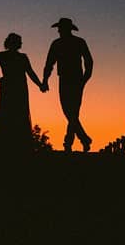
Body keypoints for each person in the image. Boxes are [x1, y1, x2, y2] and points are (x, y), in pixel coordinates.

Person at [0, 32, 46, 148]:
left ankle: (9, 142)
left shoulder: (5, 56)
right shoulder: (19, 57)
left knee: (9, 111)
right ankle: (16, 142)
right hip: (17, 88)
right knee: (15, 111)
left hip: (12, 87)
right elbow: (30, 73)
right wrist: (40, 85)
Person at [42, 17, 93, 152]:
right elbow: (49, 63)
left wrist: (84, 79)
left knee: (70, 112)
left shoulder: (65, 43)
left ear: (64, 29)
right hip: (71, 79)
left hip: (72, 80)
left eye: (60, 28)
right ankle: (82, 139)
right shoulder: (64, 43)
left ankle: (70, 142)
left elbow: (89, 61)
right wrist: (45, 80)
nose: (58, 30)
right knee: (71, 112)